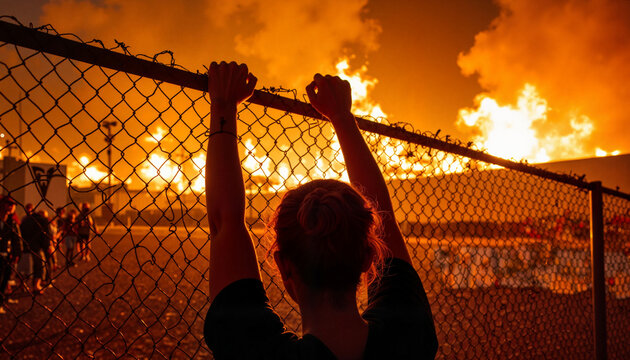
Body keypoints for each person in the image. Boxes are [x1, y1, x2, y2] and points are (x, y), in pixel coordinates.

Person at [203, 62, 438, 359]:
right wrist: (342, 117)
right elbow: (384, 216)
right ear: (368, 258)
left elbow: (226, 223)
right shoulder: (409, 336)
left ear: (283, 265)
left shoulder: (258, 350)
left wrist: (223, 107)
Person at [20, 207, 52, 294]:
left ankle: (23, 285)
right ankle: (36, 286)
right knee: (39, 267)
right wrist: (47, 246)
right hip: (37, 248)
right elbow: (46, 235)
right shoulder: (43, 221)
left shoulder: (25, 220)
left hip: (25, 247)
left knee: (25, 269)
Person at [0, 197, 22, 313]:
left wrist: (17, 253)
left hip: (7, 255)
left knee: (5, 279)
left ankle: (1, 302)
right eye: (9, 203)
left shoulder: (12, 222)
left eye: (13, 204)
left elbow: (16, 239)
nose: (12, 206)